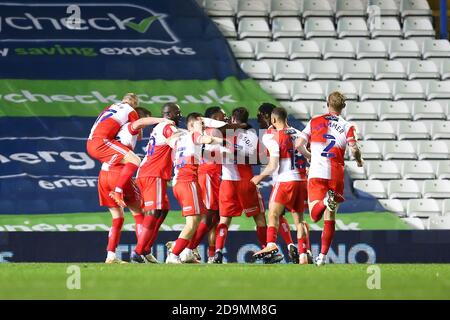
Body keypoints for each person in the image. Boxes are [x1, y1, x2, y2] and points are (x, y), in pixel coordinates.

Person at [295, 92, 364, 266]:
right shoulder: (348, 126)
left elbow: (298, 145)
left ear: (327, 103)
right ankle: (322, 257)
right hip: (336, 174)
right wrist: (358, 160)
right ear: (344, 106)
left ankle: (326, 200)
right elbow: (354, 149)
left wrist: (310, 156)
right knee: (330, 217)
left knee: (314, 215)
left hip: (317, 171)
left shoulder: (314, 121)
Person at [98, 107, 171, 263]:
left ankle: (110, 256)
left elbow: (138, 134)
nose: (144, 127)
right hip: (119, 174)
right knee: (140, 214)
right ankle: (143, 251)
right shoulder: (130, 127)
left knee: (117, 218)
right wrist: (162, 120)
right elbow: (139, 123)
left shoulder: (118, 130)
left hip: (104, 174)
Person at [251, 107, 311, 264]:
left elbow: (273, 165)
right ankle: (303, 255)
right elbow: (307, 155)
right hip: (301, 181)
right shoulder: (298, 133)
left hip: (285, 181)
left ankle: (271, 244)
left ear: (273, 120)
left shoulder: (273, 137)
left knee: (273, 213)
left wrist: (259, 177)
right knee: (299, 221)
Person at [165, 113, 226, 263]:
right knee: (192, 222)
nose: (203, 127)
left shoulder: (180, 138)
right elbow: (208, 139)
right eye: (201, 124)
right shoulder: (193, 135)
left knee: (200, 217)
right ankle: (174, 254)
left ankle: (184, 249)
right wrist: (224, 141)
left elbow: (169, 140)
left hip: (181, 181)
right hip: (187, 181)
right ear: (192, 125)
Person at [213, 107, 267, 264]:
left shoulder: (224, 133)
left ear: (232, 119)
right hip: (246, 181)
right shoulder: (251, 134)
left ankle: (217, 251)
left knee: (224, 220)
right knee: (259, 218)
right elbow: (258, 158)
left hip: (227, 182)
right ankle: (266, 248)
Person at [130, 103, 181, 263]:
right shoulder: (168, 127)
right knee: (153, 211)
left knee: (162, 209)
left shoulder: (159, 126)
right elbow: (174, 143)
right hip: (153, 173)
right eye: (178, 113)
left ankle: (145, 249)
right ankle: (139, 251)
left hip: (149, 173)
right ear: (170, 114)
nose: (180, 115)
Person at [87, 93, 143, 208]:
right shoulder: (131, 111)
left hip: (90, 142)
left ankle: (117, 188)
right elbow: (139, 135)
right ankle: (118, 191)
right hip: (102, 142)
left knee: (117, 217)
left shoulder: (110, 107)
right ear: (135, 104)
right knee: (135, 160)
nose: (131, 100)